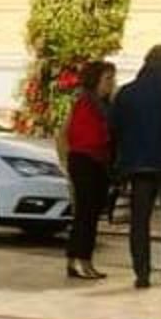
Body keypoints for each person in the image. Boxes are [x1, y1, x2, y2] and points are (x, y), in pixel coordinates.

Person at [112, 43, 161, 288]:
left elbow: (114, 130)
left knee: (139, 221)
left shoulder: (127, 93)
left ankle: (142, 273)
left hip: (137, 167)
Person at [59, 60, 116, 280]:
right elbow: (80, 135)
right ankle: (81, 261)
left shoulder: (104, 104)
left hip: (97, 162)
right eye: (107, 79)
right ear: (96, 80)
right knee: (86, 214)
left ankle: (79, 260)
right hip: (85, 161)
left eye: (112, 78)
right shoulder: (86, 103)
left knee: (89, 215)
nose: (111, 83)